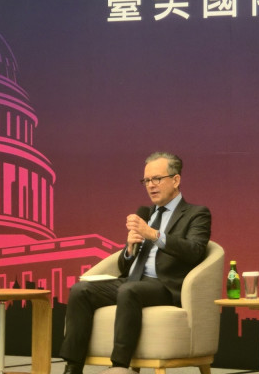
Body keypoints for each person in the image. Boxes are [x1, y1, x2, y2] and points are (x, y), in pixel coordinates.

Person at [60, 152, 212, 374]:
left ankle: (120, 367)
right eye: (146, 180)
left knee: (129, 290)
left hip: (165, 286)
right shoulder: (146, 214)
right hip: (133, 281)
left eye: (157, 179)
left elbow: (194, 251)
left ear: (176, 180)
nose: (150, 185)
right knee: (80, 290)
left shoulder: (196, 214)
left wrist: (154, 234)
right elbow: (124, 267)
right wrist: (129, 250)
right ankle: (72, 368)